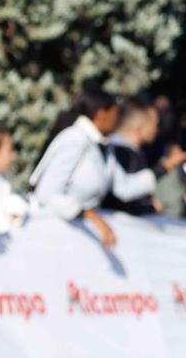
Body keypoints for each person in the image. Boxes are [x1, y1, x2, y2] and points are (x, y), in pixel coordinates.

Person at [28, 87, 121, 249]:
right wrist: (87, 214)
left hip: (71, 238)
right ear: (101, 114)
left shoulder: (101, 145)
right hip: (46, 236)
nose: (117, 119)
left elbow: (123, 186)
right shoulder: (75, 139)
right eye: (115, 113)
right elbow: (46, 193)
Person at [102, 97, 161, 217]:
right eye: (154, 124)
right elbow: (120, 195)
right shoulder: (118, 151)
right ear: (139, 126)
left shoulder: (136, 152)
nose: (156, 130)